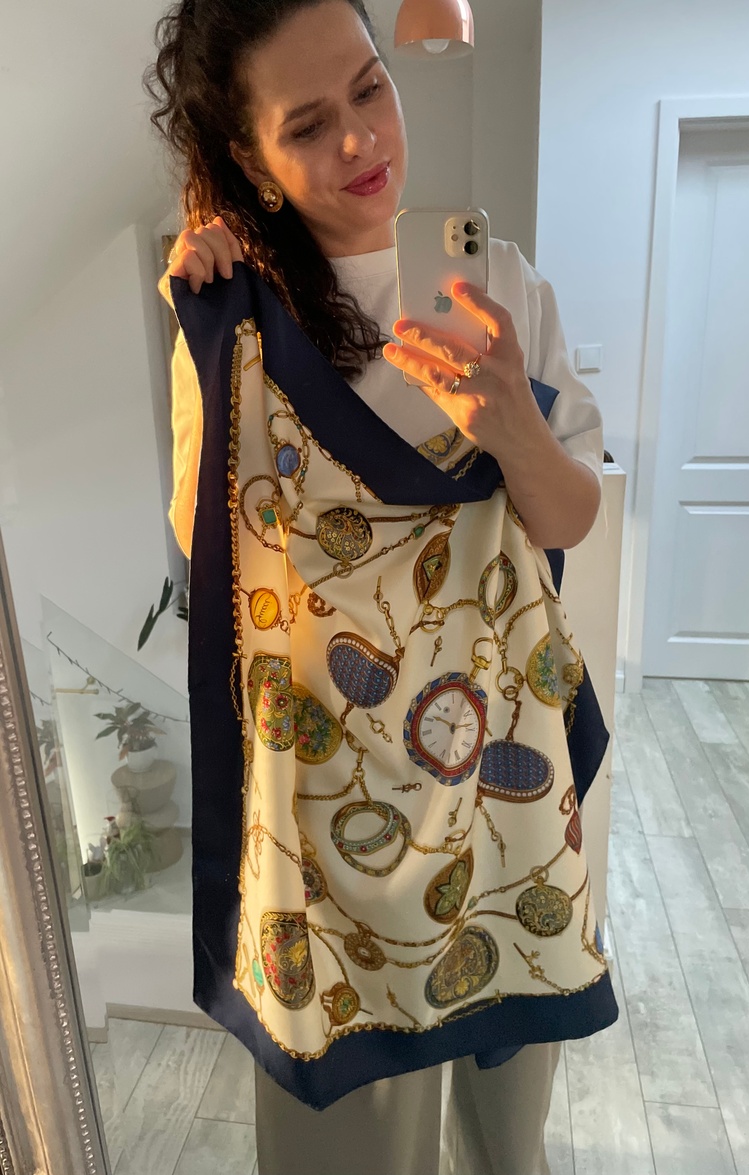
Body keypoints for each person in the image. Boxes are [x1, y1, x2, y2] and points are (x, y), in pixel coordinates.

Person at [145, 2, 619, 1172]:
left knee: (508, 1141)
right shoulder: (234, 320)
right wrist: (213, 333)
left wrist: (513, 426)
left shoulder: (496, 281)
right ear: (249, 160)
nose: (361, 139)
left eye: (369, 87)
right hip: (330, 822)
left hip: (500, 792)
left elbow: (567, 515)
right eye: (307, 125)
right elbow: (215, 555)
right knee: (351, 1149)